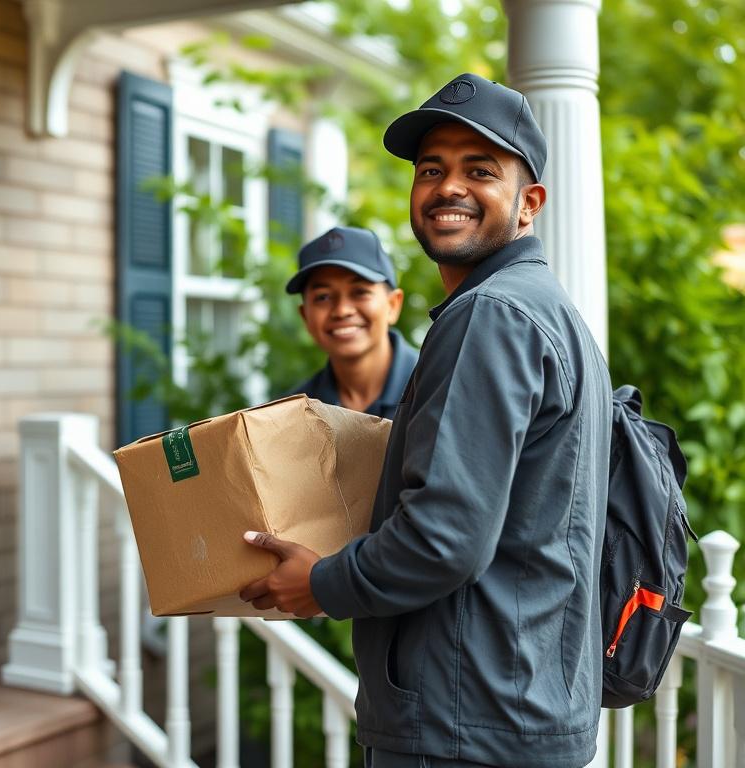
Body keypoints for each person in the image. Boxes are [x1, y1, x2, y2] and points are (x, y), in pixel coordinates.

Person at [240, 73, 612, 768]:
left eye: (480, 170)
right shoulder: (543, 308)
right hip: (513, 707)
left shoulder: (490, 315)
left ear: (529, 203)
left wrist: (321, 583)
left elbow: (445, 538)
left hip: (466, 724)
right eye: (432, 169)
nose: (448, 187)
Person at [286, 226, 418, 418]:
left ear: (393, 305)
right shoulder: (294, 415)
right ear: (305, 315)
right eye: (323, 297)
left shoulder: (438, 388)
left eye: (360, 292)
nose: (342, 310)